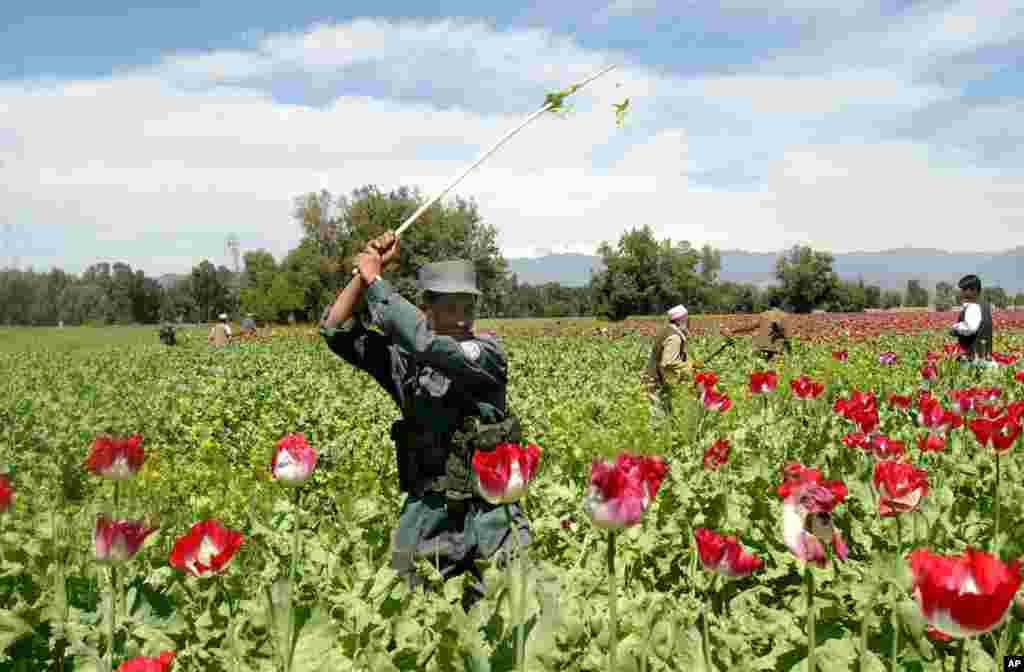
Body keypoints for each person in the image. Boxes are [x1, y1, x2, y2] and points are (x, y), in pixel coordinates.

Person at [319, 231, 528, 609]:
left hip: (492, 513)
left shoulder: (486, 352)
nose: (462, 318)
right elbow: (335, 329)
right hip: (428, 512)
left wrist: (377, 283)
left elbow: (429, 343)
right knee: (410, 613)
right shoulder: (403, 362)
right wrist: (363, 276)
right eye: (450, 308)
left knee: (512, 613)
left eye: (468, 307)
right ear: (426, 308)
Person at [642, 304, 693, 417]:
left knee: (662, 415)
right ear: (681, 319)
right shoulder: (674, 337)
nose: (689, 322)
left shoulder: (667, 330)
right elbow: (668, 362)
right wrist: (690, 365)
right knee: (660, 417)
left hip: (652, 378)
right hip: (656, 382)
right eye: (687, 319)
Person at [950, 274, 993, 364]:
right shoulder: (985, 306)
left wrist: (955, 328)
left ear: (973, 290)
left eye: (963, 290)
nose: (962, 293)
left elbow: (970, 328)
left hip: (973, 360)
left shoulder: (973, 307)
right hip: (985, 356)